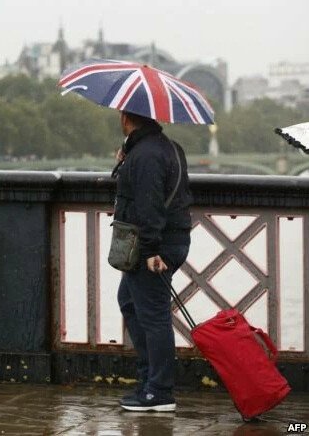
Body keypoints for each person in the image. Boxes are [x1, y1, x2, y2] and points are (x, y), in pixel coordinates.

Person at [113, 110, 192, 413]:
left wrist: (149, 251)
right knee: (130, 301)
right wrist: (124, 160)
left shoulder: (146, 155)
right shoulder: (166, 147)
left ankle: (159, 391)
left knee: (154, 316)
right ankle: (149, 380)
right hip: (165, 240)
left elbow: (149, 205)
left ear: (126, 118)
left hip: (153, 247)